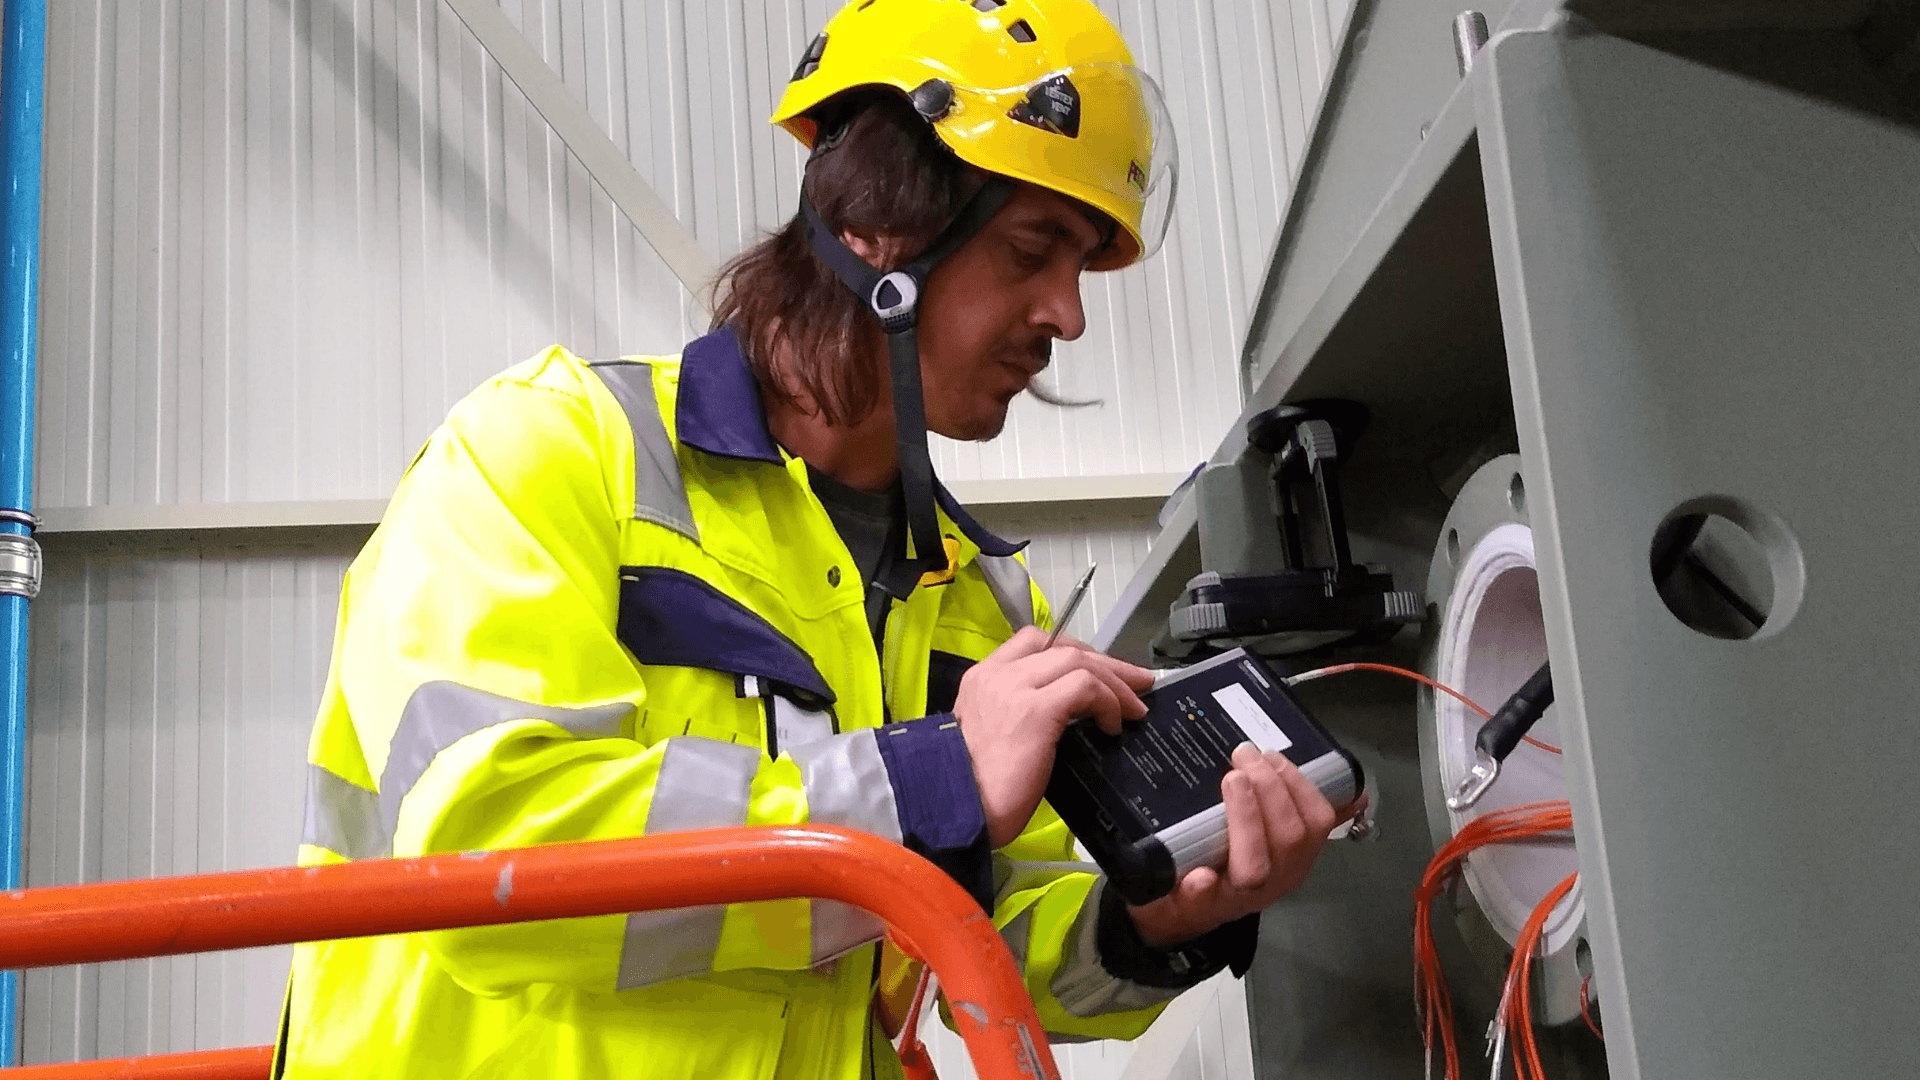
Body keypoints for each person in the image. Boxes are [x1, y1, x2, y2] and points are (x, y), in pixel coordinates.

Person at [274, 1, 1351, 1076]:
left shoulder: (977, 596)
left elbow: (986, 934)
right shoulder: (547, 453)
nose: (1068, 316)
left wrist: (1152, 922)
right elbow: (490, 856)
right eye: (1033, 251)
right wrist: (932, 784)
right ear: (879, 226)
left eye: (1079, 269)